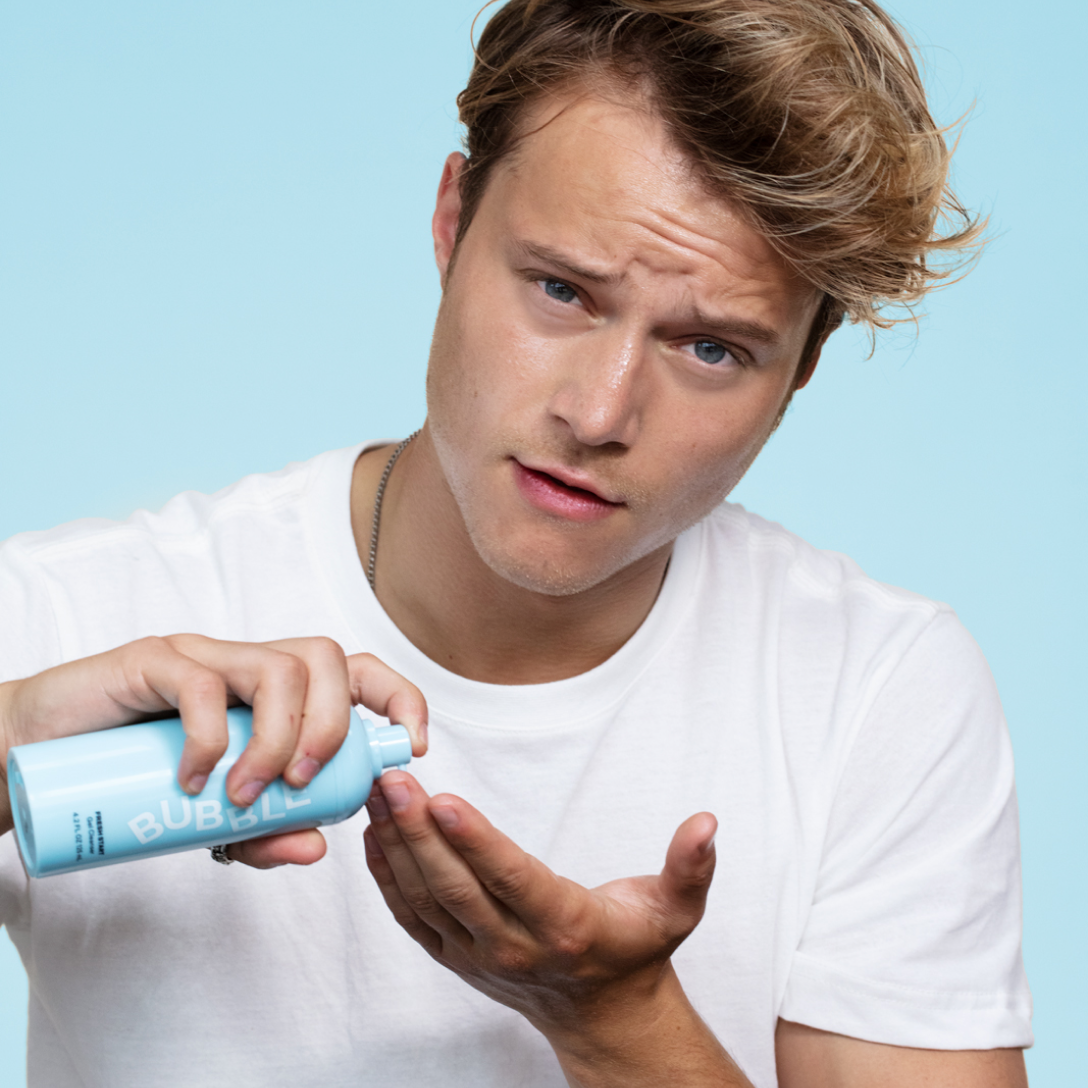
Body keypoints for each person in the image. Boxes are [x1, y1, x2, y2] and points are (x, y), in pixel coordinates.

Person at [0, 0, 1032, 1085]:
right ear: (451, 222)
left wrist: (616, 1021)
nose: (600, 413)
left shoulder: (876, 691)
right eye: (561, 290)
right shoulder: (69, 615)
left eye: (710, 349)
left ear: (801, 371)